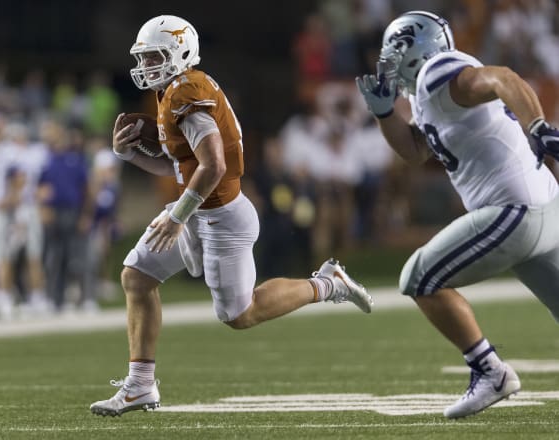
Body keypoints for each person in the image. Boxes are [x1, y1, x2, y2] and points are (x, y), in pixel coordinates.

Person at [90, 14, 373, 417]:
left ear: (178, 53)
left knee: (240, 315)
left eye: (154, 57)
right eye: (145, 58)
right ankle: (139, 386)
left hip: (222, 217)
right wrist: (129, 154)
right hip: (198, 209)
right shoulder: (173, 91)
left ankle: (327, 283)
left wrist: (176, 218)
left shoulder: (187, 95)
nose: (146, 66)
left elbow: (213, 167)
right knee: (137, 276)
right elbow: (183, 170)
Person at [356, 10, 559, 419]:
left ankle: (490, 372)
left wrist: (537, 125)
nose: (388, 61)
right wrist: (384, 115)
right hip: (544, 208)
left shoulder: (438, 70)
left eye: (396, 50)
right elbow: (416, 151)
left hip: (512, 210)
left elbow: (503, 78)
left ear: (421, 48)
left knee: (420, 277)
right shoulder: (423, 93)